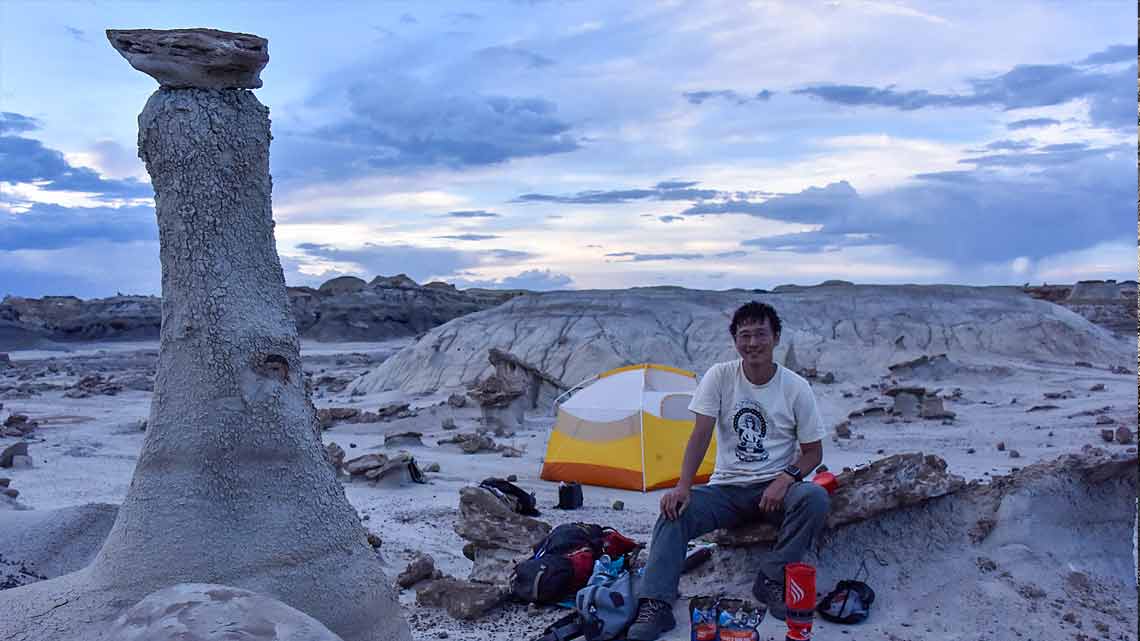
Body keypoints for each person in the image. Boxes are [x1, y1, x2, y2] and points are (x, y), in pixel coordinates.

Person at [626, 301, 829, 641]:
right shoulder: (720, 376)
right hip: (726, 490)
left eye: (760, 334)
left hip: (774, 493)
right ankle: (656, 604)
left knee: (815, 498)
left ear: (776, 337)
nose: (752, 343)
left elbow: (813, 453)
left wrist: (785, 479)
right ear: (735, 341)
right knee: (674, 512)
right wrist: (683, 487)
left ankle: (771, 579)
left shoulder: (796, 387)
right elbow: (700, 435)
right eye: (744, 335)